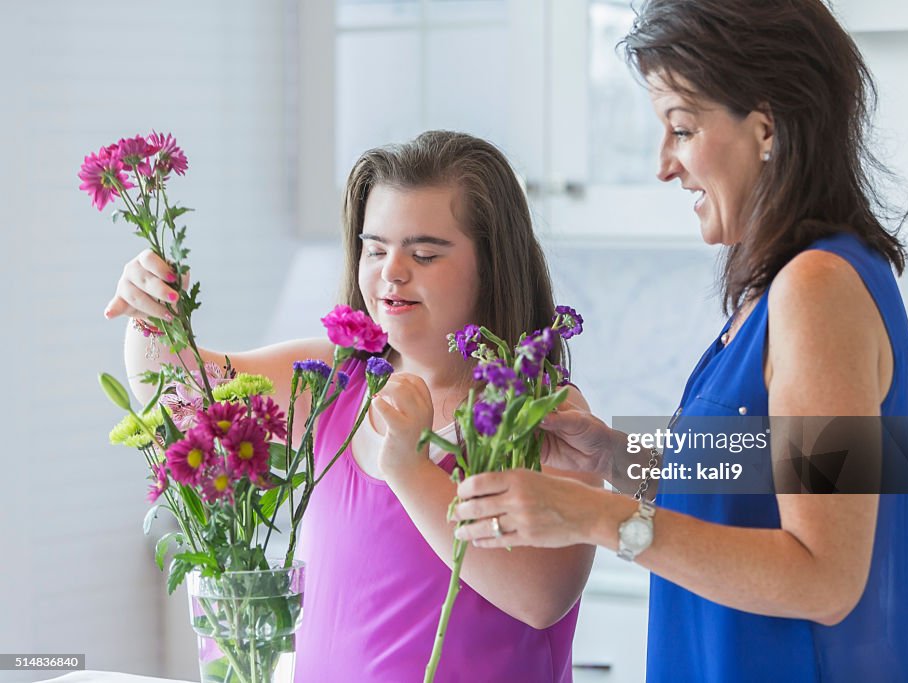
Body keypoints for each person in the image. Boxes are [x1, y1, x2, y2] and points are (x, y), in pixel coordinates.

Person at [451, 1, 908, 681]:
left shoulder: (819, 289)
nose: (663, 165)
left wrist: (594, 514)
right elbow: (760, 479)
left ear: (766, 127)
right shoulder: (785, 290)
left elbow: (825, 576)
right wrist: (615, 455)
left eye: (681, 128)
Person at [103, 130, 601, 682]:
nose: (392, 271)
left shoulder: (539, 412)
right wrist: (150, 306)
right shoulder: (331, 383)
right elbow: (173, 391)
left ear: (493, 263)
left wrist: (409, 469)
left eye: (426, 253)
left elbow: (541, 596)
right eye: (375, 248)